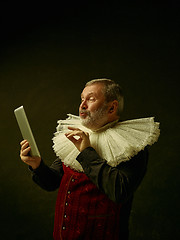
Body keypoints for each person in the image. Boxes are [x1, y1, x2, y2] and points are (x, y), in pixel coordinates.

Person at [20, 78, 160, 240]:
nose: (82, 105)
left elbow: (119, 192)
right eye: (82, 99)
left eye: (91, 99)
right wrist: (37, 165)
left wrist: (87, 151)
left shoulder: (132, 145)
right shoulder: (75, 134)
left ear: (112, 107)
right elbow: (52, 182)